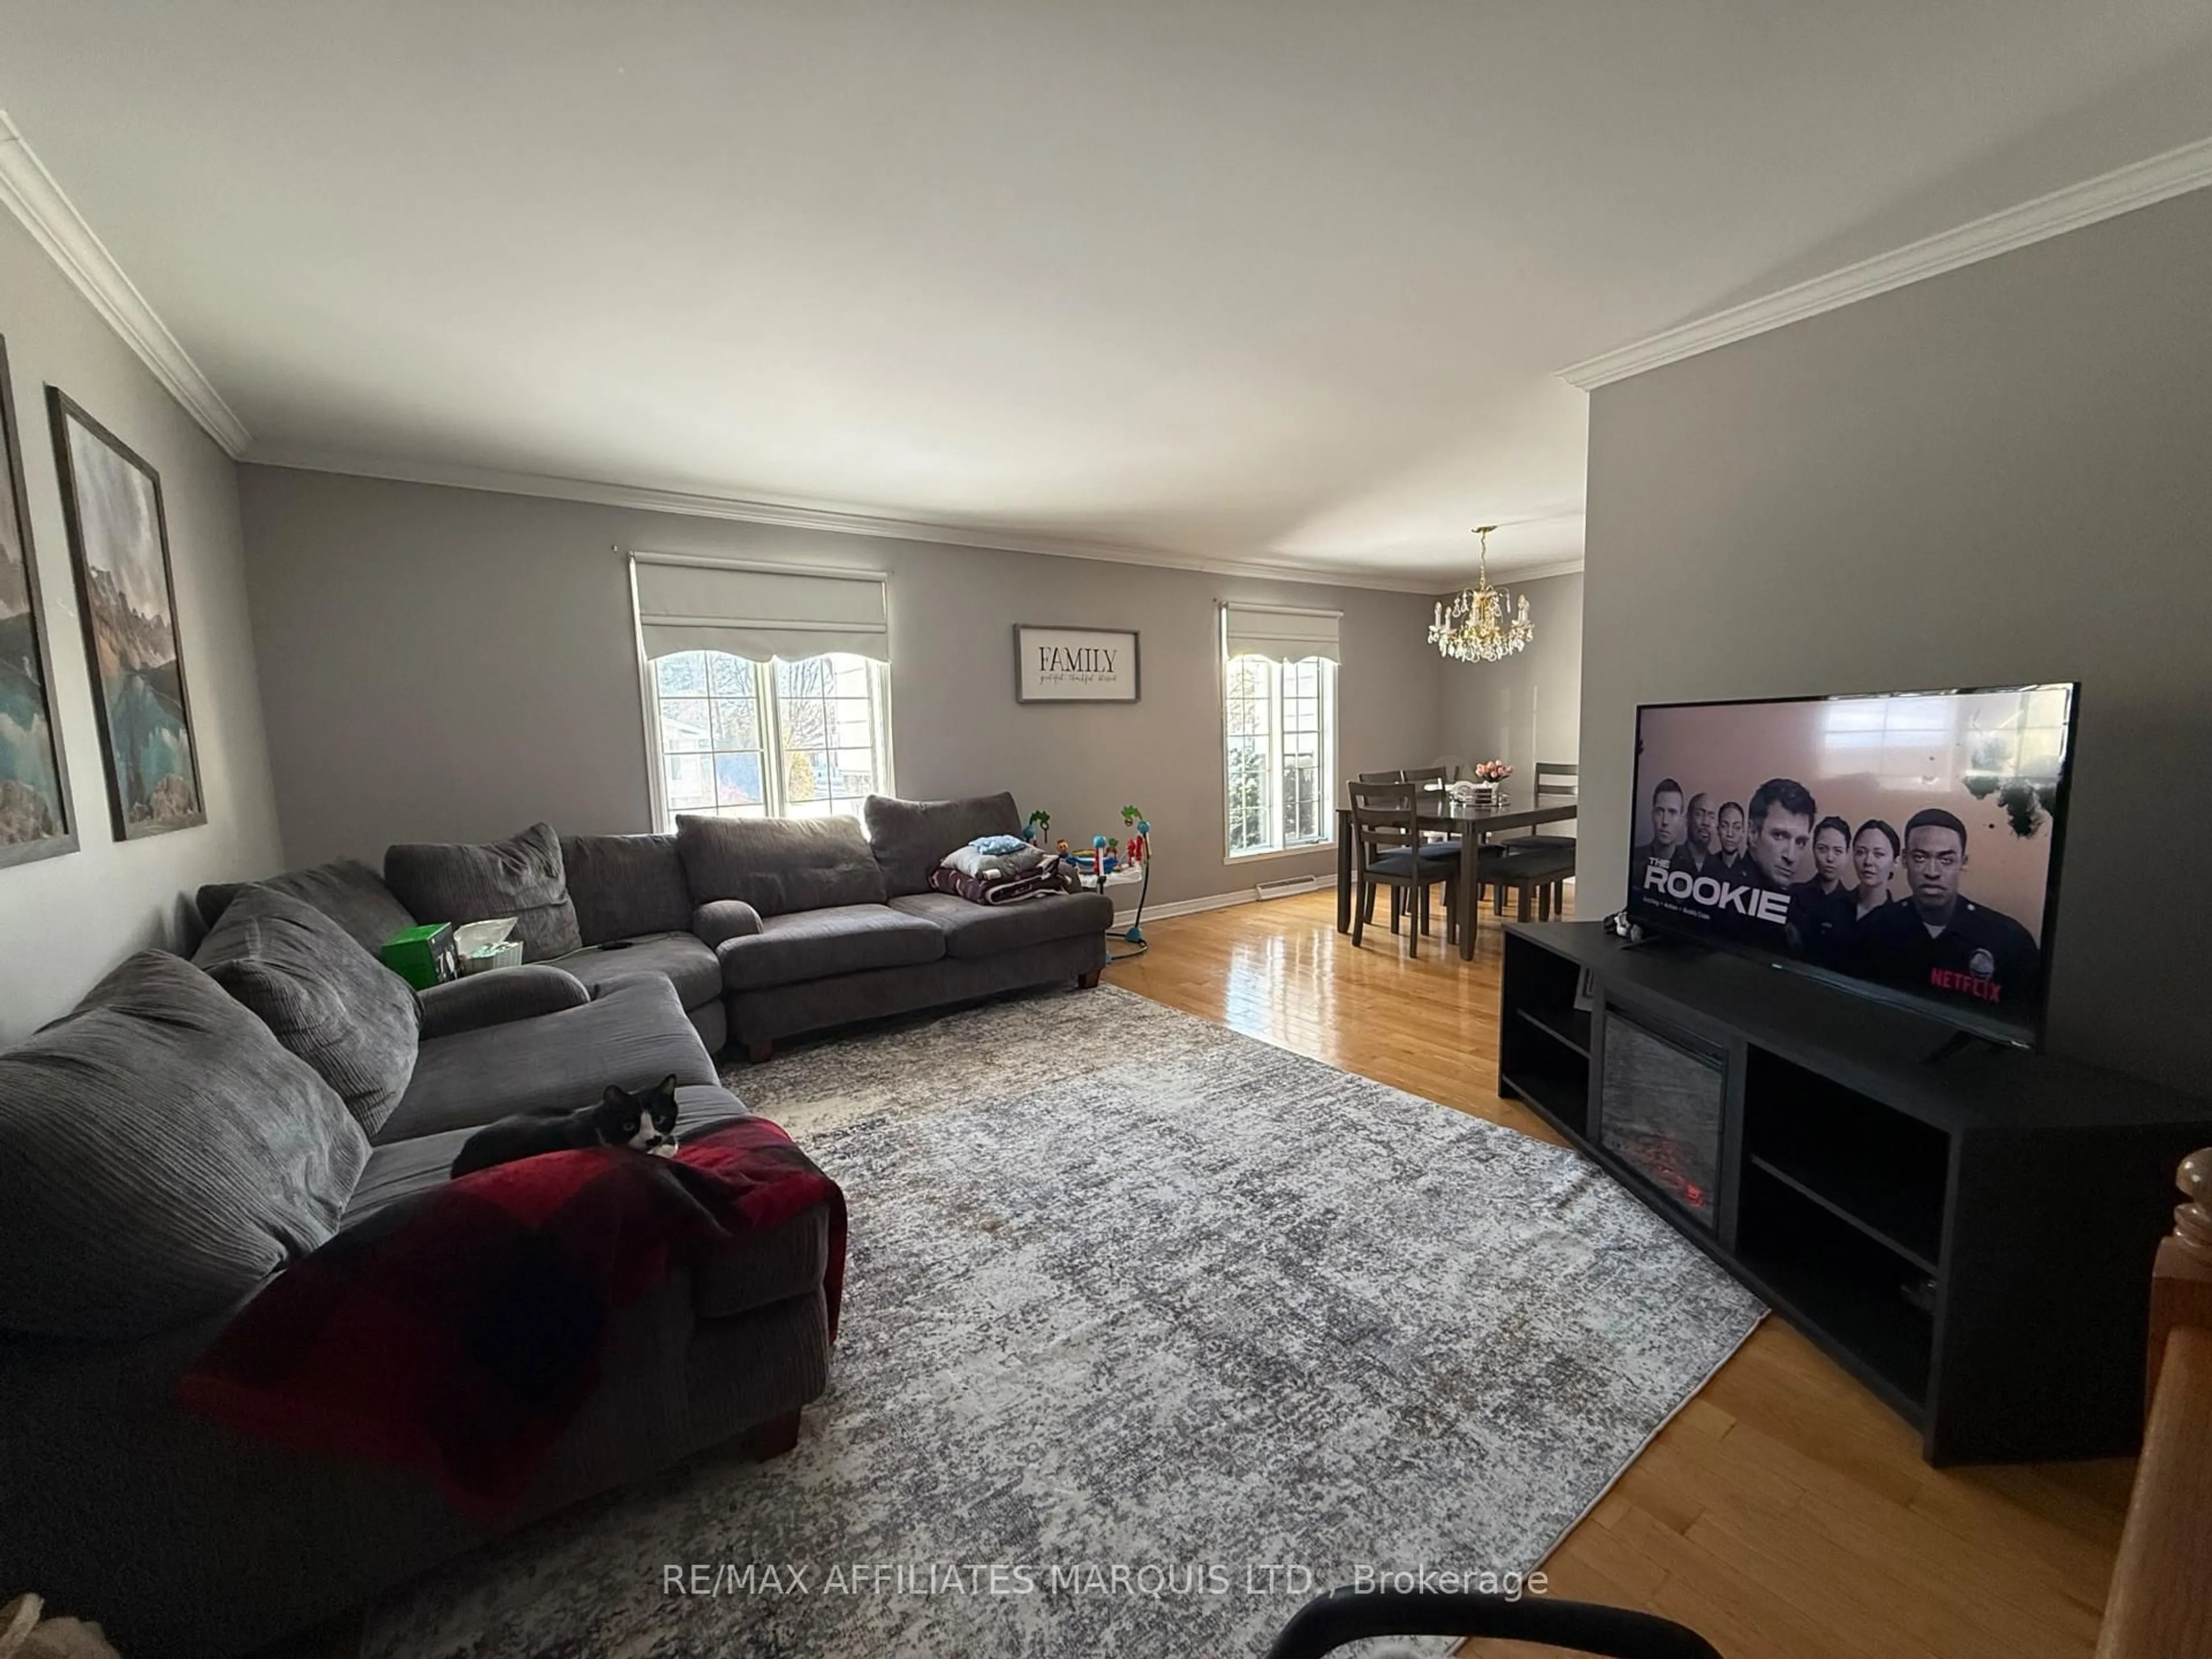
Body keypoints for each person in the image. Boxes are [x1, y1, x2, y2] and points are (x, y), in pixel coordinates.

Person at [1855, 808, 2041, 1010]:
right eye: (1920, 858)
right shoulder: (1874, 929)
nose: (1932, 872)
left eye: (1946, 860)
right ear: (1905, 859)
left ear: (1963, 862)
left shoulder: (2009, 941)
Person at [1786, 815, 1853, 959]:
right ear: (1813, 849)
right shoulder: (1793, 895)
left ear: (1847, 854)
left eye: (1838, 851)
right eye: (1823, 849)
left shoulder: (1853, 907)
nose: (1830, 858)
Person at [1629, 777, 1687, 889]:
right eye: (1660, 812)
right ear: (1652, 815)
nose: (1665, 821)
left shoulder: (1691, 868)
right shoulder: (1634, 859)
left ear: (1681, 819)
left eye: (1672, 812)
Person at [1848, 819, 1901, 923]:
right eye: (1861, 852)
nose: (1868, 862)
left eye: (1879, 854)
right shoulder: (1830, 906)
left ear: (1895, 862)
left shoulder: (1899, 921)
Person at [1672, 792, 1718, 876]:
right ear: (1688, 819)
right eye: (1699, 814)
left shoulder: (1719, 867)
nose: (1706, 823)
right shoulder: (1671, 856)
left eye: (1711, 817)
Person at [1715, 801, 1748, 872]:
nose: (1730, 834)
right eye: (1724, 826)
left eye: (1737, 827)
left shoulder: (1751, 871)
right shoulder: (1707, 866)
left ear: (1743, 832)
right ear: (1718, 829)